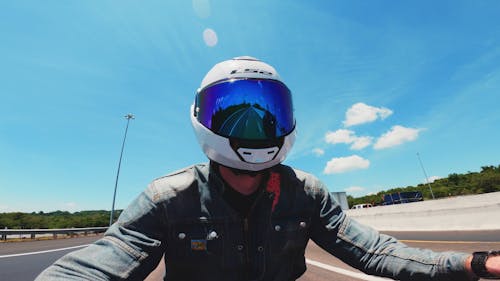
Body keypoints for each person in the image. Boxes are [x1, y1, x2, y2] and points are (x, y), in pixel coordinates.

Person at [37, 56, 500, 281]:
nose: (255, 125)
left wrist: (474, 262)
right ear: (203, 117)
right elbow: (93, 268)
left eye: (266, 111)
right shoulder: (168, 198)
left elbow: (374, 251)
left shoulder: (306, 193)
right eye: (233, 111)